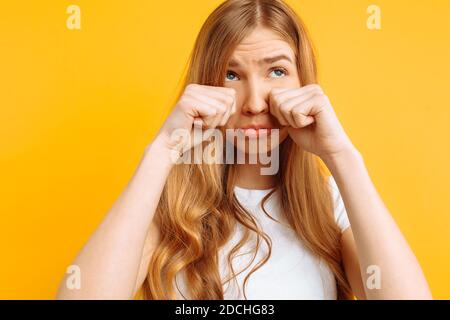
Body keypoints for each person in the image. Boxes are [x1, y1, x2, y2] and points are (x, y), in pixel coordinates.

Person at [56, 0, 432, 300]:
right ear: (205, 86)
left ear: (304, 81)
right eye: (231, 75)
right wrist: (161, 151)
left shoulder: (329, 205)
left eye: (277, 71)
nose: (254, 102)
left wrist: (342, 156)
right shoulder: (167, 203)